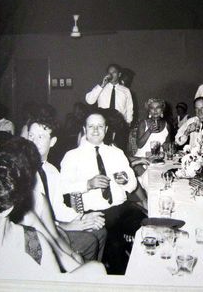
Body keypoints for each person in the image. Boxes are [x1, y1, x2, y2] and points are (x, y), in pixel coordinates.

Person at [0, 148, 105, 275]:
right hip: (60, 230)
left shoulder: (29, 236)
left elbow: (56, 247)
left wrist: (73, 256)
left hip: (57, 233)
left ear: (6, 208)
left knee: (96, 267)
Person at [60, 109, 147, 274]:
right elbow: (63, 187)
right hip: (96, 213)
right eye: (91, 126)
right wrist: (88, 184)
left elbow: (132, 184)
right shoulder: (72, 156)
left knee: (147, 229)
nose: (95, 130)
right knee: (115, 247)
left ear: (106, 130)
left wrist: (125, 181)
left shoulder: (116, 153)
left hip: (122, 208)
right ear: (84, 129)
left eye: (100, 126)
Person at [27, 116, 107, 262]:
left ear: (52, 142)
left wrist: (82, 218)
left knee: (100, 231)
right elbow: (31, 219)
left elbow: (57, 208)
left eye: (40, 136)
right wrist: (67, 226)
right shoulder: (22, 171)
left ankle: (93, 276)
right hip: (36, 232)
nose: (33, 141)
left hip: (55, 225)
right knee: (88, 241)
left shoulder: (51, 171)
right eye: (30, 136)